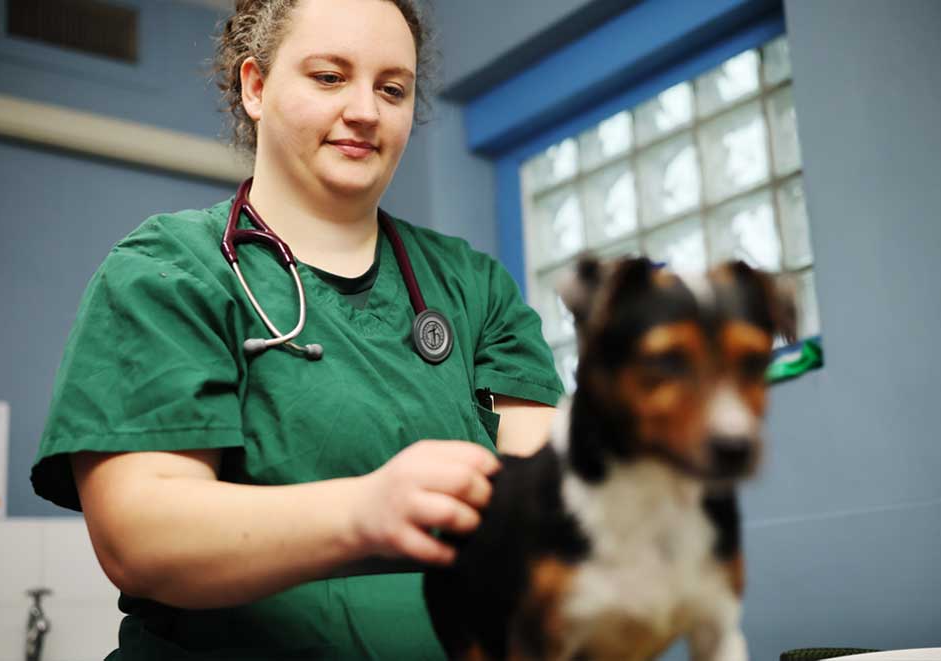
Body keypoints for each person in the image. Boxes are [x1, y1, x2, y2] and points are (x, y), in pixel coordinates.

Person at [29, 0, 564, 658]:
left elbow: (545, 509)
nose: (366, 109)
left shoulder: (473, 288)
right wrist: (365, 512)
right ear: (256, 86)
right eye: (330, 76)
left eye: (392, 88)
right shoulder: (168, 273)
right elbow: (138, 534)